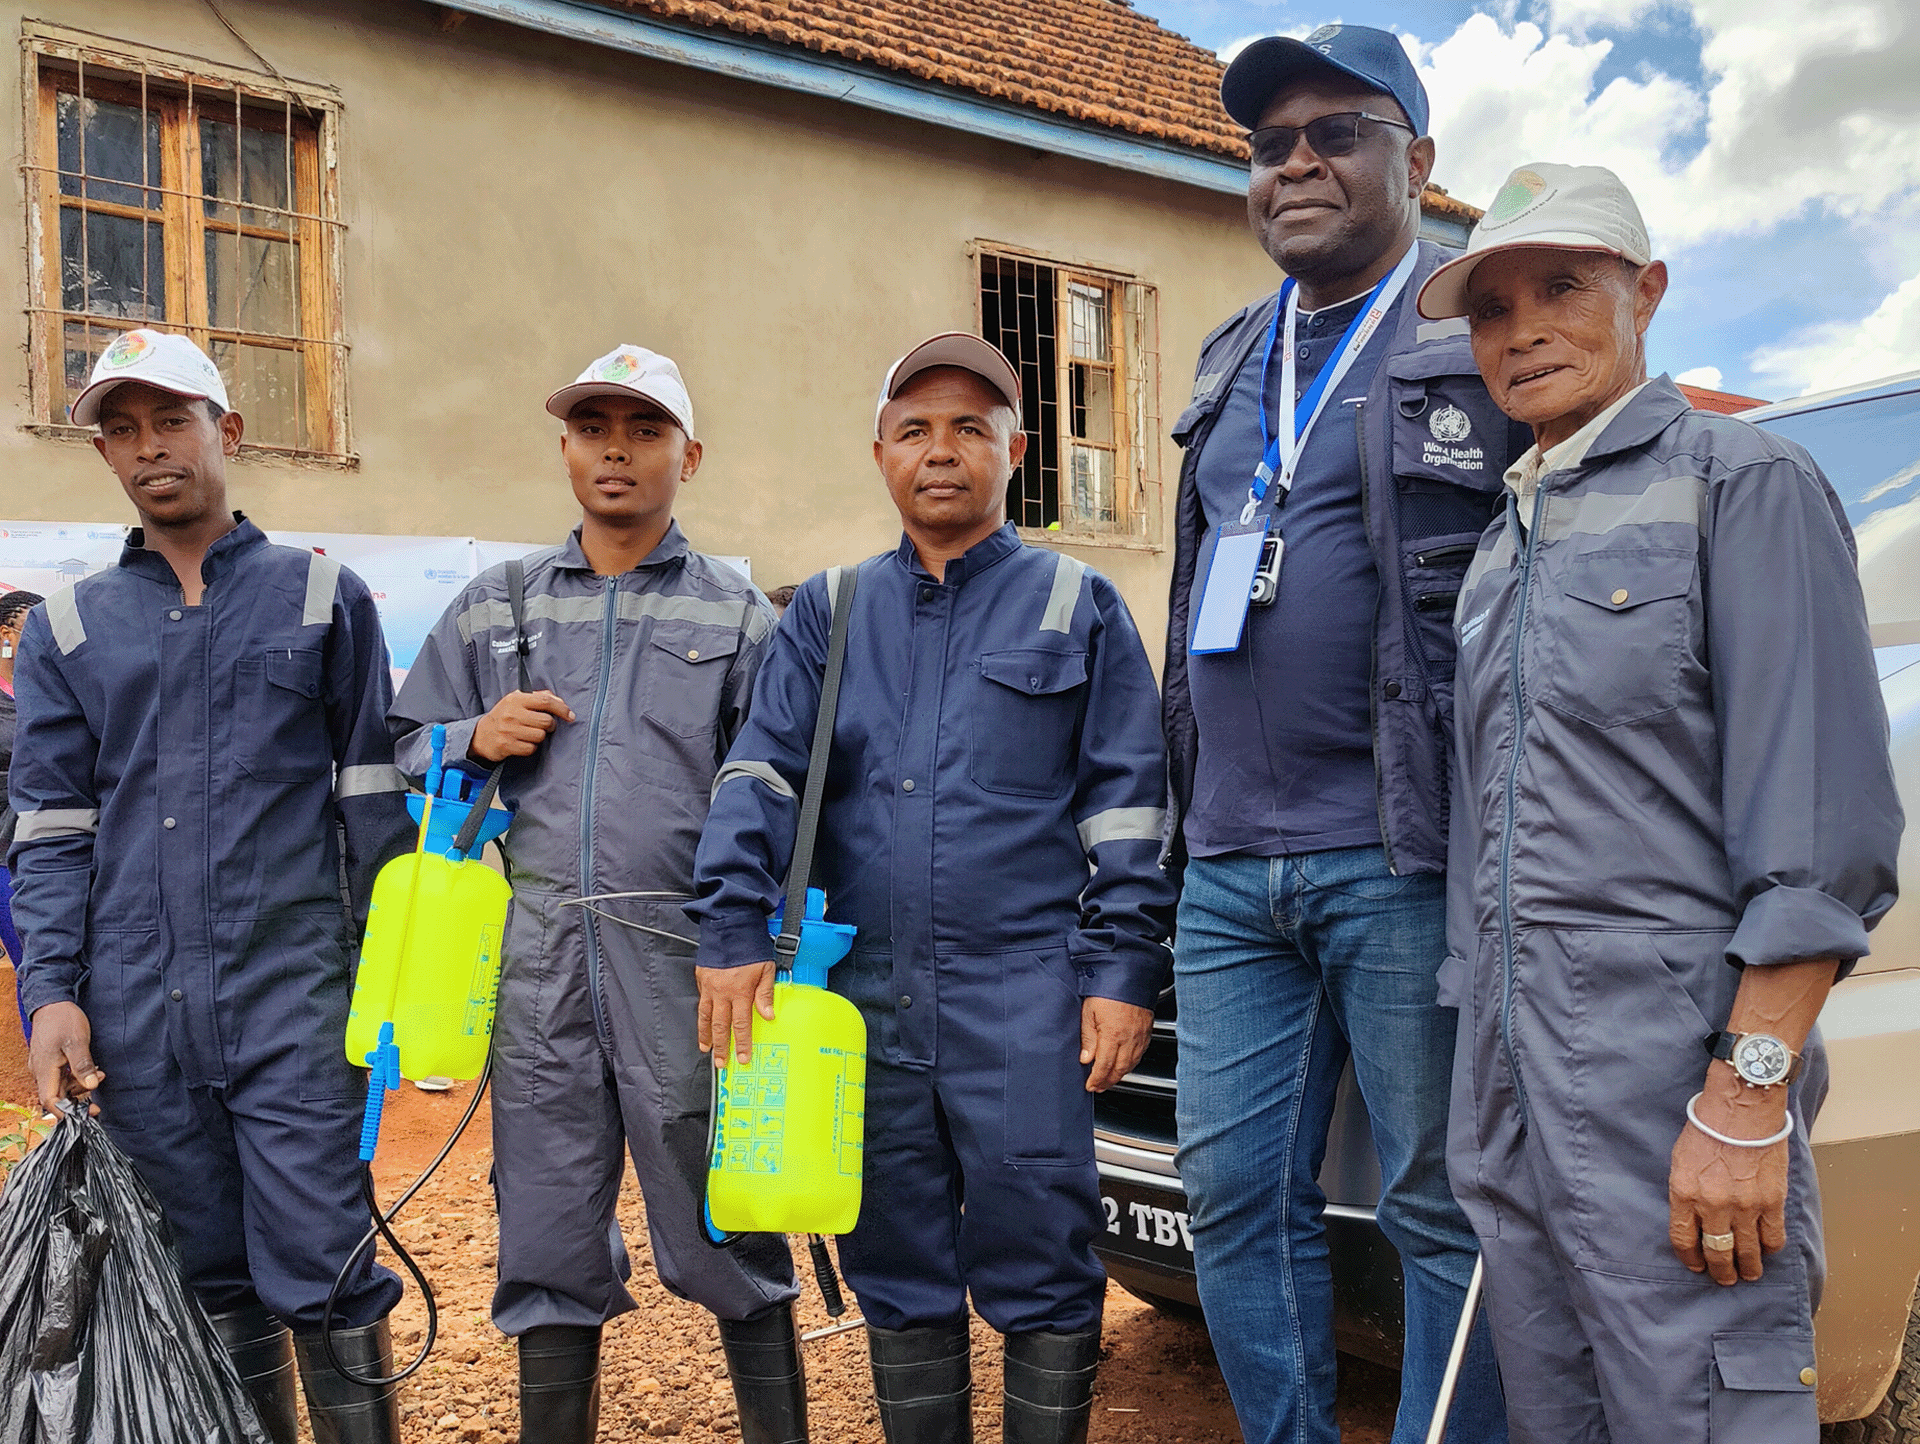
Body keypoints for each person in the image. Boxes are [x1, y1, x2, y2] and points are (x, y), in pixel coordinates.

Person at [1423, 162, 1902, 1441]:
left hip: (1679, 1091)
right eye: (1491, 309)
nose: (1520, 330)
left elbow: (1825, 841)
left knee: (1705, 1413)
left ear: (1649, 292)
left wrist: (1744, 1102)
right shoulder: (1495, 550)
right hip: (1516, 1106)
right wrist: (1483, 1108)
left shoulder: (1742, 485)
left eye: (1562, 287)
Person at [690, 332, 1176, 1444]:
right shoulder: (831, 608)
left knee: (1044, 1253)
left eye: (971, 428)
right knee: (897, 1257)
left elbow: (1131, 806)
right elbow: (761, 769)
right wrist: (728, 919)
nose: (942, 451)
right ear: (880, 454)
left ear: (1016, 449)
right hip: (861, 994)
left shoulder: (1076, 603)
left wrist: (1121, 970)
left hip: (1024, 995)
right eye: (916, 430)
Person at [1161, 25, 1525, 1444]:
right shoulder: (1225, 355)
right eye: (1270, 146)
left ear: (1417, 164)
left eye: (1338, 134)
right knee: (1230, 1194)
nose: (1297, 162)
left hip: (1402, 856)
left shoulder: (1474, 338)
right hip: (1229, 867)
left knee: (1441, 1202)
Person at [7, 329, 416, 1444]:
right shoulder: (68, 628)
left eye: (172, 420)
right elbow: (47, 831)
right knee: (206, 1278)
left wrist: (395, 988)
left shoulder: (322, 597)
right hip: (138, 1012)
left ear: (226, 431)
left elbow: (374, 804)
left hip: (296, 995)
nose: (149, 449)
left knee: (326, 1266)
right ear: (103, 453)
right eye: (122, 430)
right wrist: (51, 992)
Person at [390, 344, 802, 1444]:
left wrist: (764, 938)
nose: (616, 450)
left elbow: (786, 791)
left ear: (690, 455)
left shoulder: (738, 616)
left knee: (728, 1214)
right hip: (537, 966)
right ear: (565, 447)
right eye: (593, 427)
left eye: (646, 429)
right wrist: (464, 736)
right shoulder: (495, 607)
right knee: (546, 1225)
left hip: (692, 961)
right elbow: (395, 751)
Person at [1, 589, 42, 1030]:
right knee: (35, 968)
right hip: (6, 857)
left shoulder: (50, 689)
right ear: (5, 634)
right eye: (34, 626)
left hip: (59, 850)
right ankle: (53, 1095)